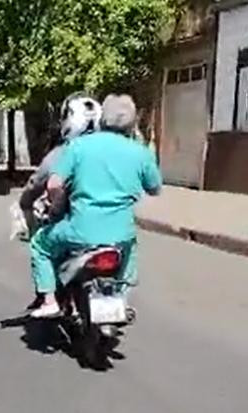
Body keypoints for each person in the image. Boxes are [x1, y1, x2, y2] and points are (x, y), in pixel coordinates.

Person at [29, 94, 162, 318]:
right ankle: (121, 297)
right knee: (130, 252)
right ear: (132, 122)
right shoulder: (140, 153)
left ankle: (50, 300)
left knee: (39, 245)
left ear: (102, 119)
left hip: (79, 230)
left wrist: (56, 203)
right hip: (121, 234)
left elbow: (54, 184)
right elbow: (155, 188)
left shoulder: (78, 146)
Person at [16, 93, 102, 311]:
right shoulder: (112, 151)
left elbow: (39, 183)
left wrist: (27, 203)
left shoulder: (61, 154)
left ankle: (49, 299)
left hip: (74, 227)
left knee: (40, 244)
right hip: (112, 227)